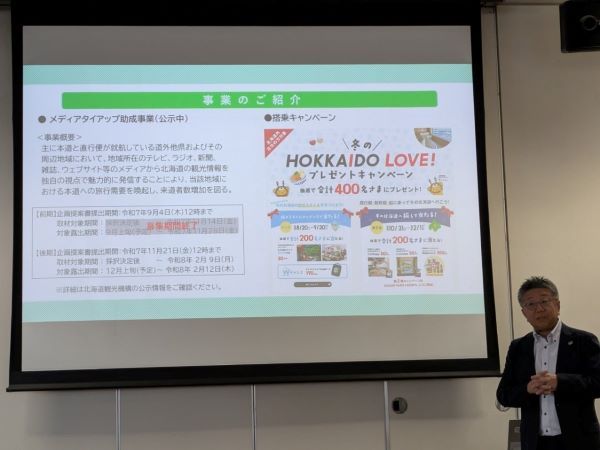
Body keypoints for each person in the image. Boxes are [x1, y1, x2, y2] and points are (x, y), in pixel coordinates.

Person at [497, 276, 600, 450]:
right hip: (535, 442)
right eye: (531, 304)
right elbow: (503, 395)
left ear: (557, 305)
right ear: (524, 313)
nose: (539, 309)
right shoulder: (518, 347)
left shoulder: (584, 341)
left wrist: (560, 382)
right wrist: (527, 389)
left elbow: (598, 383)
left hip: (579, 441)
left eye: (544, 301)